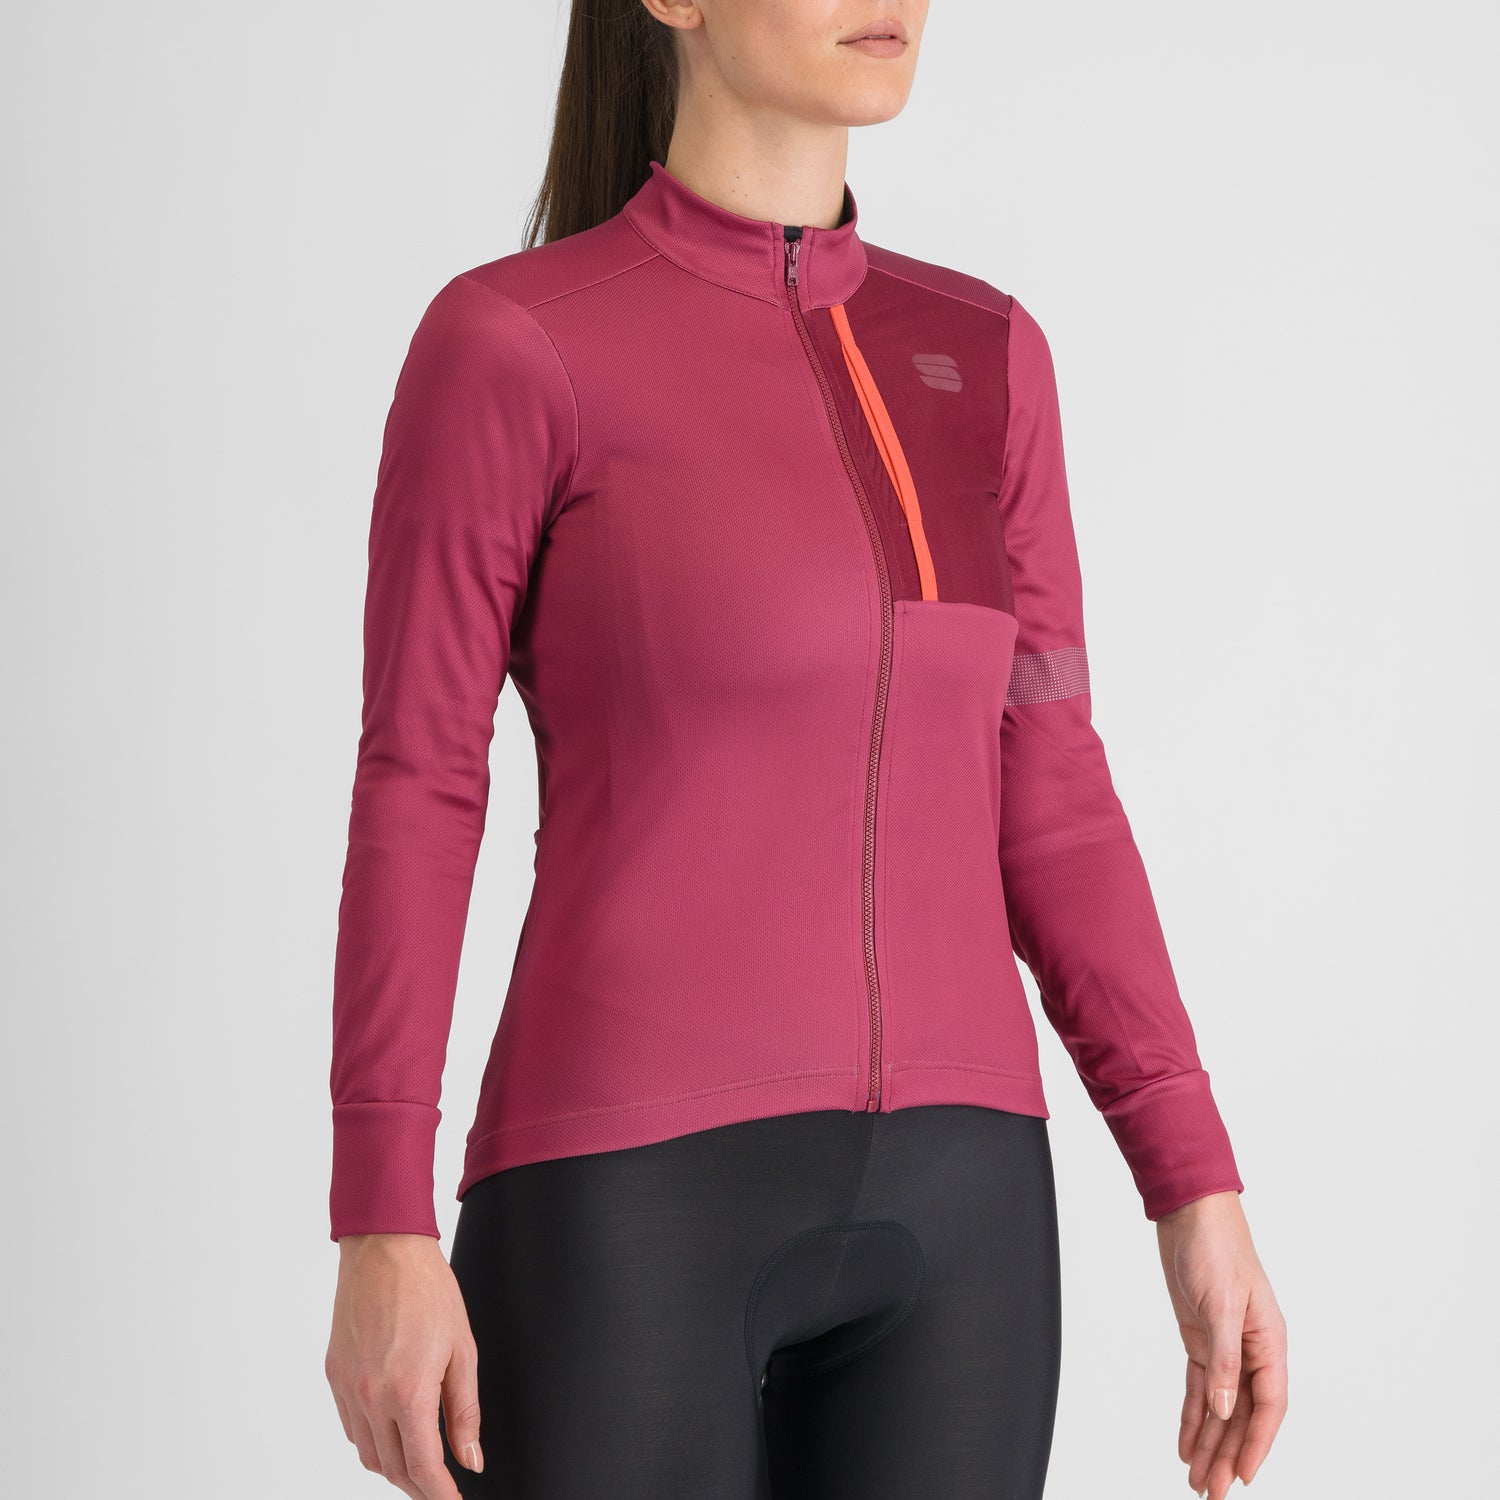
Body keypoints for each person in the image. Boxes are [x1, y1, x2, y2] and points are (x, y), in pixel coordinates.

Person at [323, 2, 1288, 1496]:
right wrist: (379, 1220)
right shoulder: (517, 345)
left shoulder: (985, 354)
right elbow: (420, 781)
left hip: (964, 1211)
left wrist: (1195, 1185)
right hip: (628, 1201)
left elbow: (1051, 793)